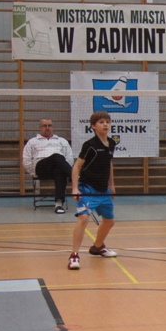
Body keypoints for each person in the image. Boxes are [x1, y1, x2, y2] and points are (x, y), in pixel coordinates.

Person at [69, 111, 119, 270]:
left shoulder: (111, 143)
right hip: (87, 189)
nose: (105, 125)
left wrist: (111, 185)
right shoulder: (90, 145)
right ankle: (74, 255)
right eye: (101, 122)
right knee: (83, 218)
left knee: (109, 221)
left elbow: (109, 164)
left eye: (107, 122)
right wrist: (75, 188)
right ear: (93, 126)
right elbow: (77, 166)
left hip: (103, 190)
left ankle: (97, 247)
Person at [22, 117, 74, 213]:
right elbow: (26, 159)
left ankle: (58, 205)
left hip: (58, 168)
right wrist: (33, 172)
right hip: (41, 168)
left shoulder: (62, 141)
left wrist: (64, 168)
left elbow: (69, 157)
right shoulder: (32, 142)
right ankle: (74, 176)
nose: (47, 128)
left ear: (52, 127)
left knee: (60, 171)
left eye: (49, 125)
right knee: (57, 156)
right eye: (44, 126)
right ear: (40, 128)